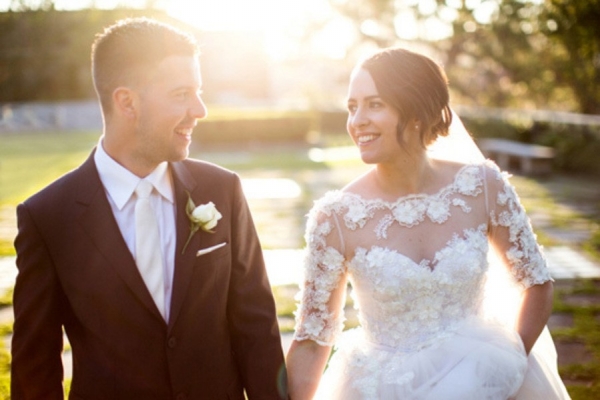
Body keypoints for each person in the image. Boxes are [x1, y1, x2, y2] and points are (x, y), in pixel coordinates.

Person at [12, 17, 286, 399]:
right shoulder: (48, 217)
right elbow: (35, 367)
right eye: (181, 93)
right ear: (127, 102)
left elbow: (257, 329)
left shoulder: (223, 190)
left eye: (199, 91)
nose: (200, 109)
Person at [286, 47, 570, 399]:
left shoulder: (483, 187)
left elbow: (537, 284)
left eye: (374, 104)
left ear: (416, 111)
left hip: (485, 382)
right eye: (352, 106)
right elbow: (312, 341)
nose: (357, 120)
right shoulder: (336, 217)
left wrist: (503, 371)